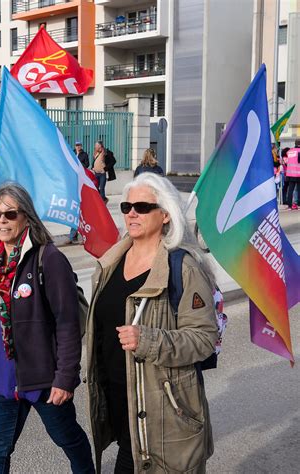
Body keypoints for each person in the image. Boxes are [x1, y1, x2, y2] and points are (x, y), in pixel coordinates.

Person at [86, 173, 218, 473]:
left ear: (166, 215)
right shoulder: (110, 264)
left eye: (143, 207)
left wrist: (147, 340)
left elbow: (203, 338)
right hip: (123, 411)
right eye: (127, 206)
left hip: (163, 423)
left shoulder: (183, 268)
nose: (132, 212)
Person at [0, 183, 95, 474]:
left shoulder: (48, 259)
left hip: (43, 376)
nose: (1, 221)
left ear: (26, 216)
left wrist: (65, 378)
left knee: (67, 438)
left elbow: (67, 323)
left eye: (10, 214)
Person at [285, 139, 300, 210]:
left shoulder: (289, 151)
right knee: (299, 189)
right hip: (298, 173)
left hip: (290, 173)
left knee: (290, 190)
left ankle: (289, 206)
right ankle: (298, 205)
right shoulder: (299, 151)